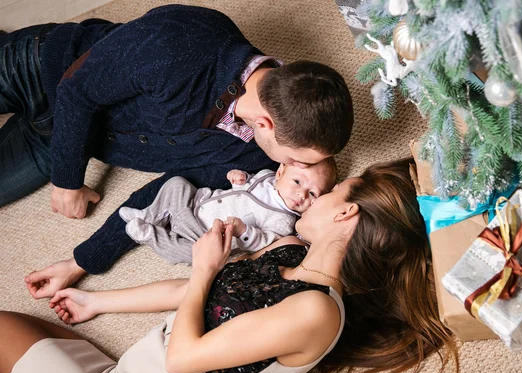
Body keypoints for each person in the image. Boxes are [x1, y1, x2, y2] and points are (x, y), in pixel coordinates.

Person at [0, 160, 458, 373]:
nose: (311, 200)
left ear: (345, 212)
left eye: (333, 191)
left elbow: (182, 357)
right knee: (31, 331)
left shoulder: (316, 310)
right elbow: (189, 298)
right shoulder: (287, 249)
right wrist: (95, 303)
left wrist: (204, 268)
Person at [0, 5, 353, 297]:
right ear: (265, 123)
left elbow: (165, 194)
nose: (289, 167)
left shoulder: (255, 157)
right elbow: (76, 92)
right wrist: (67, 181)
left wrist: (80, 262)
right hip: (43, 69)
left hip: (63, 139)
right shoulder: (183, 40)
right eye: (295, 158)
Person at [119, 158, 337, 264]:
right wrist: (238, 178)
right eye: (298, 181)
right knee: (177, 183)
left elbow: (266, 242)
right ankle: (149, 215)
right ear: (280, 172)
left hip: (208, 239)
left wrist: (245, 232)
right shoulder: (265, 176)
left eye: (313, 194)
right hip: (197, 204)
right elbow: (241, 187)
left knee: (192, 256)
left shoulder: (284, 220)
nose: (301, 194)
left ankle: (149, 235)